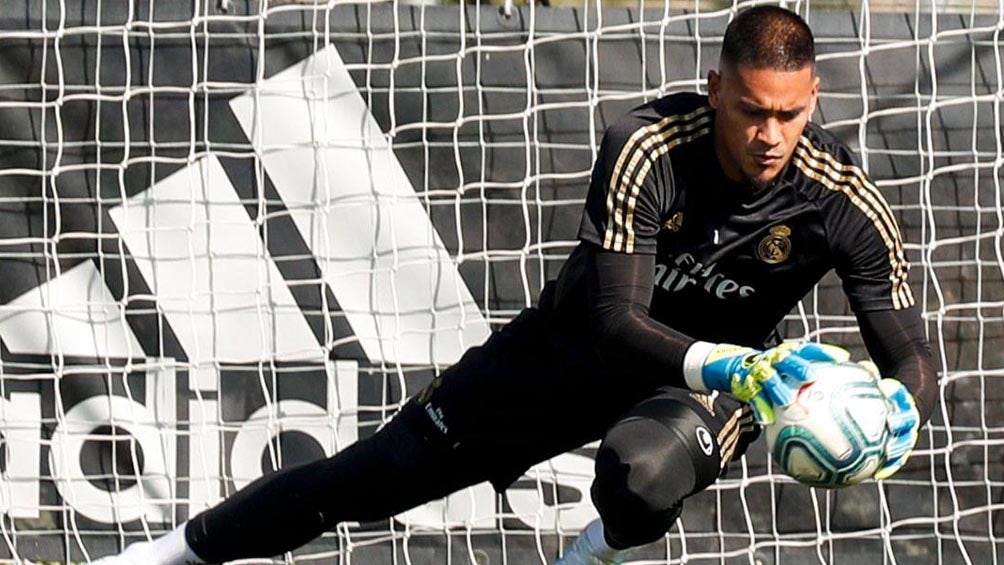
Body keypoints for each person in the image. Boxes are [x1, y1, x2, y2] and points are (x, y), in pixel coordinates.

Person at [94, 6, 936, 565]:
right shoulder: (647, 145)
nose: (768, 134)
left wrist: (899, 407)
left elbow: (909, 355)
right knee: (361, 479)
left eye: (788, 114)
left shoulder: (842, 199)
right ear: (717, 89)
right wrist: (726, 363)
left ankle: (596, 548)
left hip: (704, 392)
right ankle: (165, 555)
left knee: (640, 476)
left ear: (813, 99)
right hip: (575, 349)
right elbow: (614, 317)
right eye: (751, 109)